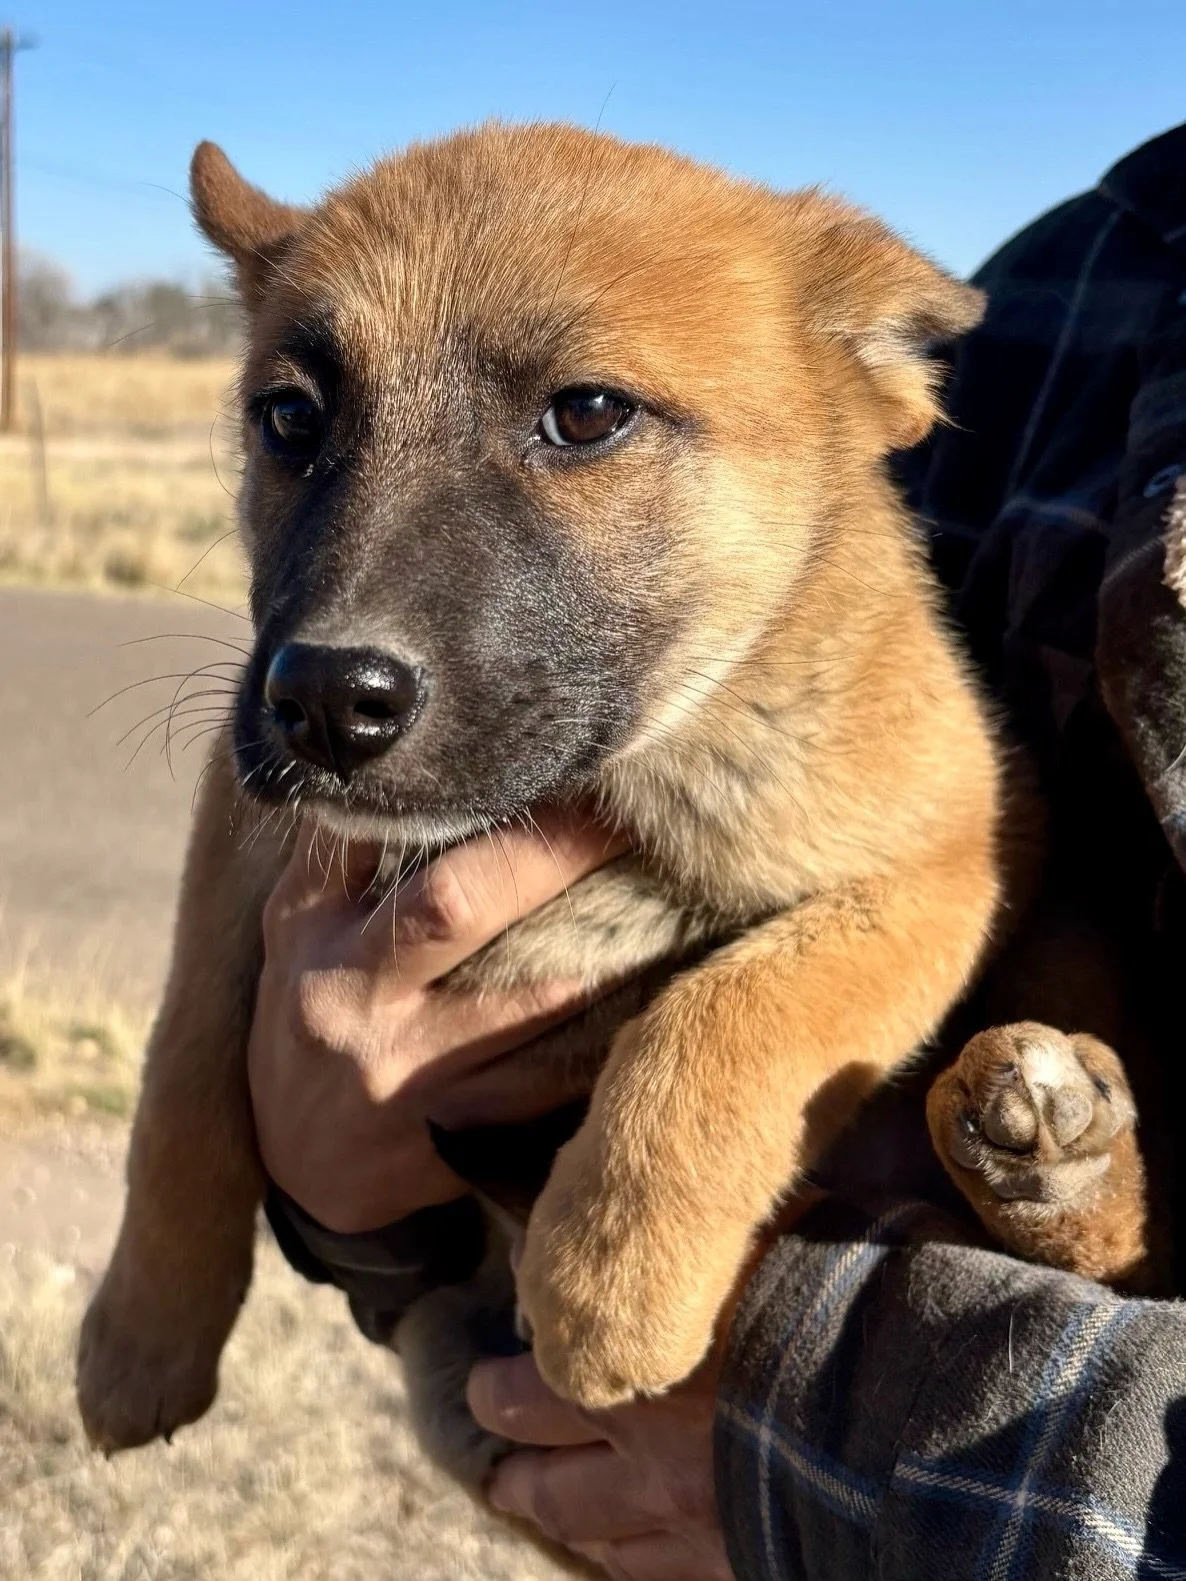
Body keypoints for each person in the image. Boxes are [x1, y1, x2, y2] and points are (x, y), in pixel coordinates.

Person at [250, 121, 1186, 1579]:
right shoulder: (1097, 277)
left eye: (584, 413)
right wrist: (338, 1206)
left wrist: (836, 1453)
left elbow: (930, 853)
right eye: (300, 428)